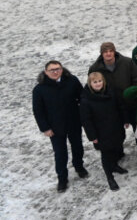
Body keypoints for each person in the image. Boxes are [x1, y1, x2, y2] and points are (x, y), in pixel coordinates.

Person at [33, 61, 87, 192]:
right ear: (46, 72)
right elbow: (38, 111)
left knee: (78, 146)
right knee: (60, 153)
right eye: (52, 70)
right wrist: (45, 128)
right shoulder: (39, 89)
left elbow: (82, 97)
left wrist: (84, 115)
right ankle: (62, 178)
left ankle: (79, 166)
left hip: (73, 122)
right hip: (55, 127)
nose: (55, 72)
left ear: (62, 70)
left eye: (57, 69)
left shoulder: (72, 81)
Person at [79, 72, 127, 191]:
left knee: (116, 148)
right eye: (95, 82)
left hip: (115, 127)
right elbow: (86, 120)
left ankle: (115, 166)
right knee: (106, 154)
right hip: (101, 132)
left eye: (100, 81)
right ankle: (109, 177)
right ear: (90, 84)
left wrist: (125, 120)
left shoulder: (111, 92)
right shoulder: (86, 100)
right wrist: (92, 136)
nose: (98, 84)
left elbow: (120, 106)